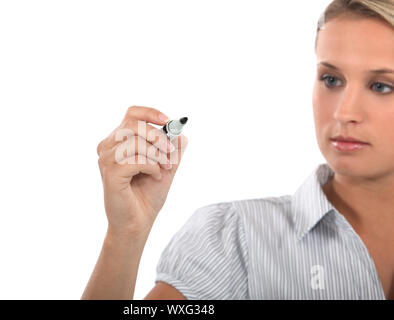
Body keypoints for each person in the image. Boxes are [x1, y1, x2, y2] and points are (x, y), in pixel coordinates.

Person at [81, 0, 394, 300]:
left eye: (382, 86)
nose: (344, 112)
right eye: (331, 79)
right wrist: (126, 236)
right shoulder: (235, 240)